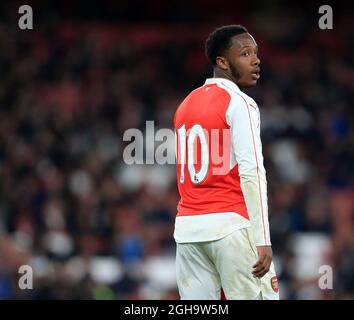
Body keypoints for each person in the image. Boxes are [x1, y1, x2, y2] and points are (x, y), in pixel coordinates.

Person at [173, 24, 279, 300]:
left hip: (188, 231)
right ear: (222, 62)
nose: (256, 60)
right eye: (245, 54)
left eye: (255, 53)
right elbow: (252, 172)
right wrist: (262, 238)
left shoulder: (185, 105)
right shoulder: (240, 102)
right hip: (230, 226)